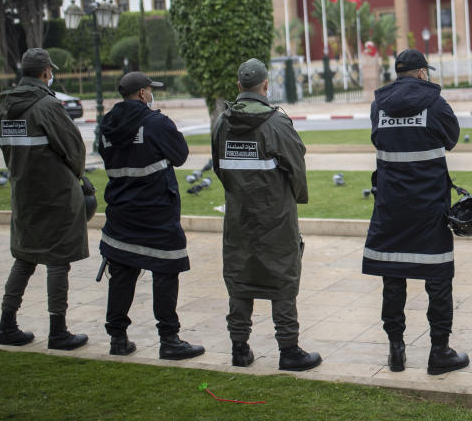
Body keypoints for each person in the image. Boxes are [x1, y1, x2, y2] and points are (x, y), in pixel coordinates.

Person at [362, 48, 468, 375]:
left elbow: (378, 139)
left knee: (393, 275)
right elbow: (452, 137)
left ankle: (396, 350)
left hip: (391, 206)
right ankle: (440, 352)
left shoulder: (379, 104)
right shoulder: (435, 103)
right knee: (437, 275)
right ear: (422, 73)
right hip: (429, 206)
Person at [211, 58, 321, 371]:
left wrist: (240, 194)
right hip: (275, 217)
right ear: (265, 85)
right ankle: (289, 351)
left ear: (238, 86)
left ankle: (239, 348)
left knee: (240, 276)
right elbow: (297, 168)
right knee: (282, 277)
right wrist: (297, 197)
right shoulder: (276, 123)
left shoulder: (222, 122)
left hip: (239, 216)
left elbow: (220, 168)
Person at [98, 72, 204, 360]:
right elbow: (180, 155)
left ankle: (117, 339)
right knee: (166, 270)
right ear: (143, 94)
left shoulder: (106, 126)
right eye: (149, 90)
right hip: (156, 211)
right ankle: (169, 340)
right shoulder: (156, 123)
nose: (151, 94)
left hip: (121, 211)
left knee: (121, 271)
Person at [0, 48, 89, 350]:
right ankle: (58, 331)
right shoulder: (47, 106)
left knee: (24, 257)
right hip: (55, 196)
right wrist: (77, 175)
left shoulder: (4, 108)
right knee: (58, 261)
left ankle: (6, 325)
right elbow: (74, 149)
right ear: (46, 72)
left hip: (24, 196)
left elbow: (9, 152)